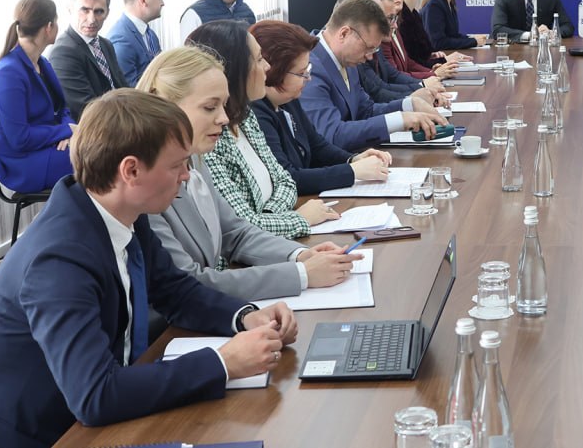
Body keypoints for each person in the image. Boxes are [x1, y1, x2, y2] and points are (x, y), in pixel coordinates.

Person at [0, 89, 296, 447]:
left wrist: (245, 316)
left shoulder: (120, 211)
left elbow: (174, 291)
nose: (186, 175)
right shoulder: (59, 260)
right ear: (131, 170)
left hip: (78, 416)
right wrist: (223, 362)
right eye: (177, 165)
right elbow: (95, 395)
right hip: (35, 435)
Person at [138, 47, 362, 300]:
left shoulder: (196, 158)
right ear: (166, 106)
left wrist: (300, 255)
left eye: (223, 106)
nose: (224, 118)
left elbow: (235, 232)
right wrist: (301, 274)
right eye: (210, 107)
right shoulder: (143, 185)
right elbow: (188, 282)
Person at [186, 21, 335, 239]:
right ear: (236, 70)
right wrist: (297, 219)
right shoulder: (209, 137)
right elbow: (241, 227)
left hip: (272, 244)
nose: (267, 66)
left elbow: (286, 181)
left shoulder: (246, 116)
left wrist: (269, 217)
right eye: (258, 59)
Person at [250, 20, 395, 195]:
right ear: (274, 71)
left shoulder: (288, 99)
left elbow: (317, 145)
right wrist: (352, 171)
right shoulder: (257, 112)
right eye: (301, 73)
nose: (308, 78)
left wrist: (353, 159)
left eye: (308, 70)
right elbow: (289, 177)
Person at [304, 0, 448, 152]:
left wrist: (409, 105)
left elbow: (366, 111)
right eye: (368, 48)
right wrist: (400, 119)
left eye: (374, 50)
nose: (370, 57)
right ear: (344, 34)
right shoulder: (309, 67)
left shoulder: (347, 58)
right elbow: (333, 135)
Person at [0, 0, 76, 193]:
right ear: (49, 27)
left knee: (106, 151)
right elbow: (19, 139)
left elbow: (62, 108)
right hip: (24, 163)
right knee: (103, 157)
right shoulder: (7, 74)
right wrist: (65, 130)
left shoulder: (42, 63)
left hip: (48, 147)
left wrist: (68, 133)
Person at [49, 0, 129, 118]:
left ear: (107, 13)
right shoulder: (63, 52)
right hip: (95, 125)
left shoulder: (106, 44)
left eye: (99, 11)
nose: (92, 19)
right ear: (70, 10)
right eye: (84, 10)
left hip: (119, 118)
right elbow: (84, 108)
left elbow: (123, 88)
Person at [381, 0, 469, 67]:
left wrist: (432, 56)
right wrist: (443, 60)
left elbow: (420, 55)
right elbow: (410, 63)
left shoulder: (414, 14)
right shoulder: (401, 19)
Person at [378, 0, 460, 82]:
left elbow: (408, 62)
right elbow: (394, 76)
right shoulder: (382, 36)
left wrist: (430, 72)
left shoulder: (395, 26)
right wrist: (433, 74)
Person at [108, 0, 165, 85]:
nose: (162, 3)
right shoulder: (121, 40)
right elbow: (128, 91)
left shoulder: (150, 34)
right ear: (143, 0)